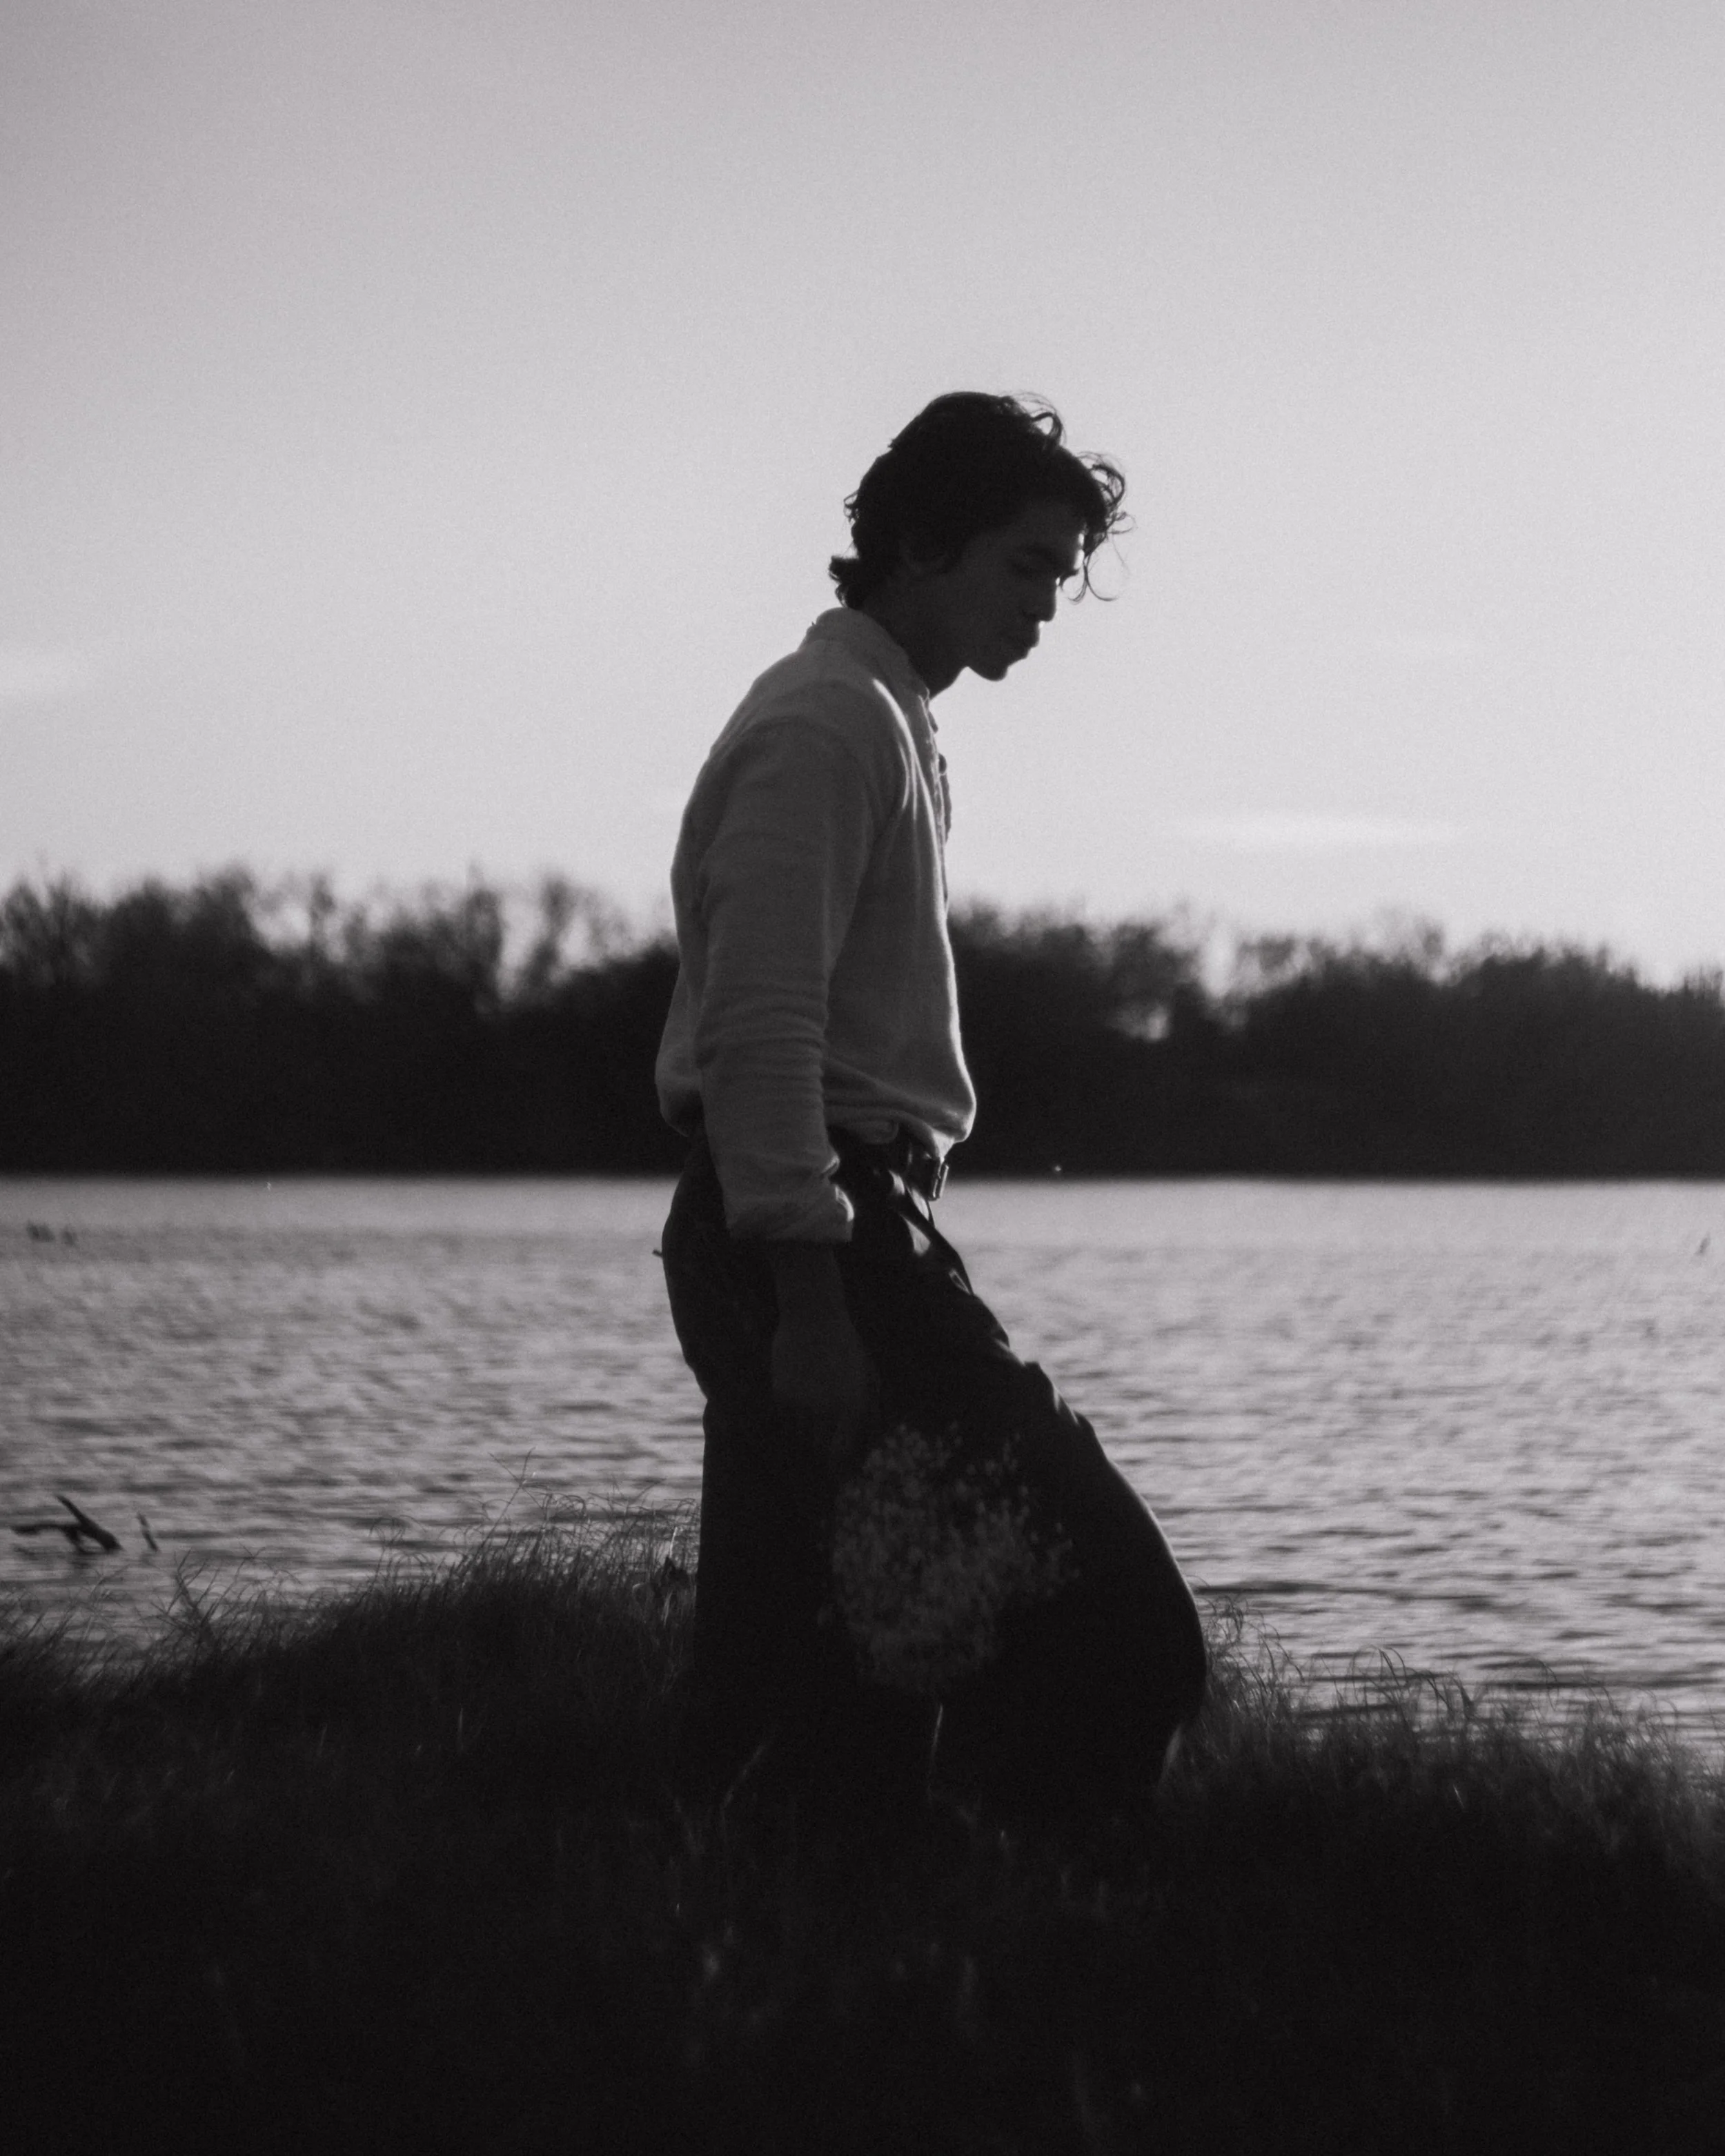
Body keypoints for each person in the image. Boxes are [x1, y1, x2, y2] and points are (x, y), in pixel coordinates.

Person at [656, 392, 1205, 1823]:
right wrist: (813, 1299)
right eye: (1024, 564)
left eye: (1059, 576)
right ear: (914, 543)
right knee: (1121, 1630)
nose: (1045, 604)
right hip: (813, 1231)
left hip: (825, 1221)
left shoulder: (877, 714)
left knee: (833, 1665)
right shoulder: (825, 722)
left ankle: (818, 1966)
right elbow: (757, 1026)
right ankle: (1015, 1935)